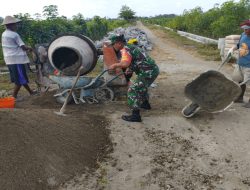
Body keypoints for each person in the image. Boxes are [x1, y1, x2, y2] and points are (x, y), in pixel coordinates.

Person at [108, 34, 159, 122]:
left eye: (113, 44)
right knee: (141, 87)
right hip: (151, 70)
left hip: (147, 72)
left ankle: (135, 116)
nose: (113, 46)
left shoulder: (125, 49)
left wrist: (114, 65)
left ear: (119, 43)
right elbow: (136, 60)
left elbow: (125, 63)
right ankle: (145, 104)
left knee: (133, 90)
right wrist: (131, 69)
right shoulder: (130, 47)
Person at [1, 16, 37, 100]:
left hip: (9, 59)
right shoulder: (14, 34)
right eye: (15, 24)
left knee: (21, 77)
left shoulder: (4, 33)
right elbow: (23, 47)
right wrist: (30, 48)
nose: (16, 26)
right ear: (10, 25)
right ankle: (14, 96)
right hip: (16, 60)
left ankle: (30, 92)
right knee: (20, 79)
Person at [228, 19, 250, 108]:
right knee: (241, 81)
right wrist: (232, 49)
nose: (245, 30)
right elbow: (238, 45)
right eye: (244, 28)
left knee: (248, 82)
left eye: (247, 28)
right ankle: (240, 97)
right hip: (240, 63)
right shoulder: (243, 35)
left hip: (249, 65)